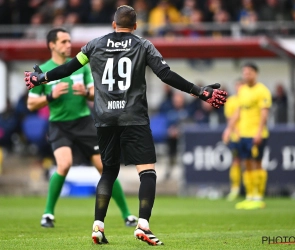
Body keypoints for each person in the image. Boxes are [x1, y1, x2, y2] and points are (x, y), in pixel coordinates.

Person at [24, 5, 227, 245]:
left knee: (108, 171)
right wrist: (199, 91)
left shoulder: (94, 44)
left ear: (113, 25)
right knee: (147, 171)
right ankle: (143, 224)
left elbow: (69, 68)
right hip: (133, 117)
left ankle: (98, 226)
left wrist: (41, 78)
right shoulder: (143, 44)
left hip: (104, 118)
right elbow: (165, 74)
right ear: (135, 26)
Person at [26, 27, 138, 228]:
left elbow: (96, 93)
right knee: (64, 164)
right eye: (64, 41)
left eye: (69, 41)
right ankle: (48, 214)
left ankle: (127, 215)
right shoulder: (43, 71)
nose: (68, 45)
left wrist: (85, 91)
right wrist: (52, 95)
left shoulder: (80, 66)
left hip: (84, 122)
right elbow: (31, 104)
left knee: (105, 168)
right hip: (59, 125)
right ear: (52, 45)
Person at [223, 62, 272, 210]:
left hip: (256, 134)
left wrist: (258, 133)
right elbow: (238, 112)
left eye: (249, 72)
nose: (246, 75)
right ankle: (250, 196)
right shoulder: (243, 90)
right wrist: (228, 129)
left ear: (255, 73)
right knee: (247, 164)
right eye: (244, 73)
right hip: (243, 134)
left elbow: (264, 114)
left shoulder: (262, 91)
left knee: (257, 163)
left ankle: (259, 197)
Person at [223, 78, 244, 201]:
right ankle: (235, 189)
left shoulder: (248, 100)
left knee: (249, 162)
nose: (238, 88)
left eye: (240, 85)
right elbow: (229, 119)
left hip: (249, 134)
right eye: (237, 86)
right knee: (236, 161)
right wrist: (233, 131)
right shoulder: (231, 101)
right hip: (236, 137)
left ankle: (251, 191)